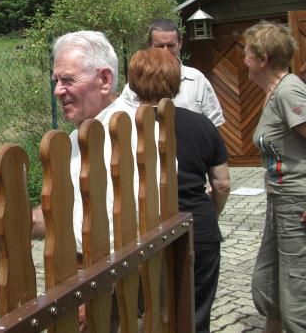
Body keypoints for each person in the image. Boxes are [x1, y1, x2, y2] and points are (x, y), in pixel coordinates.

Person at [127, 48, 231, 333]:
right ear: (176, 81)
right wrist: (213, 213)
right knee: (195, 316)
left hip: (143, 233)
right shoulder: (202, 124)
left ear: (133, 82)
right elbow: (222, 182)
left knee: (146, 316)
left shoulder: (123, 126)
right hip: (198, 229)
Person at [31, 30, 136, 252]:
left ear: (104, 80)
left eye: (68, 80)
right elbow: (73, 212)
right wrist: (29, 220)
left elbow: (118, 234)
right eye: (56, 80)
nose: (58, 91)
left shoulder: (131, 136)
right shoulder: (74, 140)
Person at [243, 21, 306, 333]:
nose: (244, 60)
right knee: (268, 281)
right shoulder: (273, 93)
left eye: (247, 53)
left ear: (262, 58)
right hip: (279, 200)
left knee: (297, 287)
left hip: (298, 202)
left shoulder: (289, 91)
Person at [120, 19, 224, 127]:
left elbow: (214, 125)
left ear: (180, 43)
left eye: (170, 46)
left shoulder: (197, 80)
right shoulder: (135, 85)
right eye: (159, 46)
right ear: (149, 45)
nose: (165, 51)